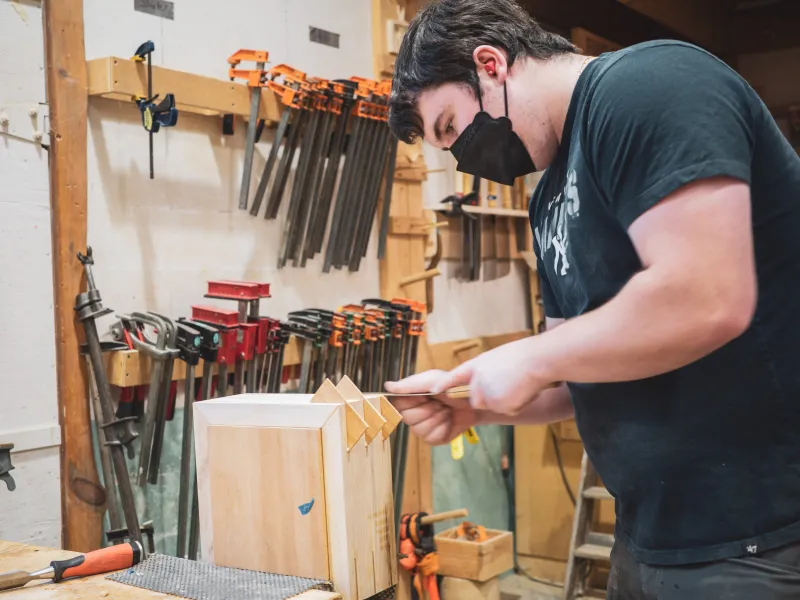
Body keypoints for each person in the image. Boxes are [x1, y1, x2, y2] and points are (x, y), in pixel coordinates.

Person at [384, 0, 800, 597]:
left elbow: (708, 297)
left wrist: (528, 358)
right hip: (648, 535)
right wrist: (477, 405)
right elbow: (579, 374)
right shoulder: (547, 197)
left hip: (757, 536)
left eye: (450, 126)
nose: (460, 154)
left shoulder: (647, 87)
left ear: (491, 64)